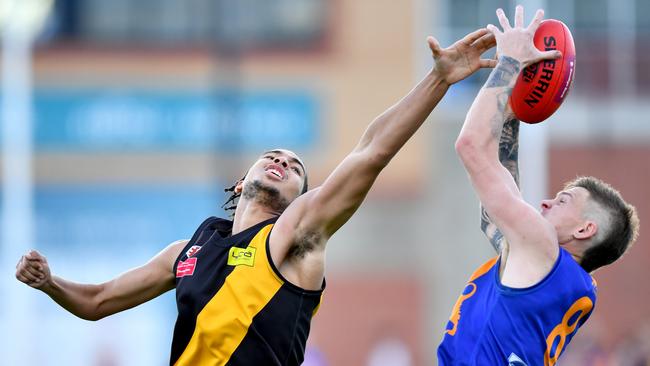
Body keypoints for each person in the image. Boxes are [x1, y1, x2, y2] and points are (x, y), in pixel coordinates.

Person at [16, 28, 497, 365]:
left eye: (296, 168)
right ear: (240, 183)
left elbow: (370, 152)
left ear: (300, 200)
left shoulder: (294, 237)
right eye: (274, 155)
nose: (284, 162)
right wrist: (50, 283)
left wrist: (439, 79)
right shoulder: (190, 251)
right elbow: (99, 300)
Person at [438, 6, 640, 366]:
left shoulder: (542, 248)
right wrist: (512, 114)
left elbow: (470, 146)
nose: (546, 203)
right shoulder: (549, 268)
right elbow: (495, 212)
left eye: (563, 200)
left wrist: (510, 64)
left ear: (585, 228)